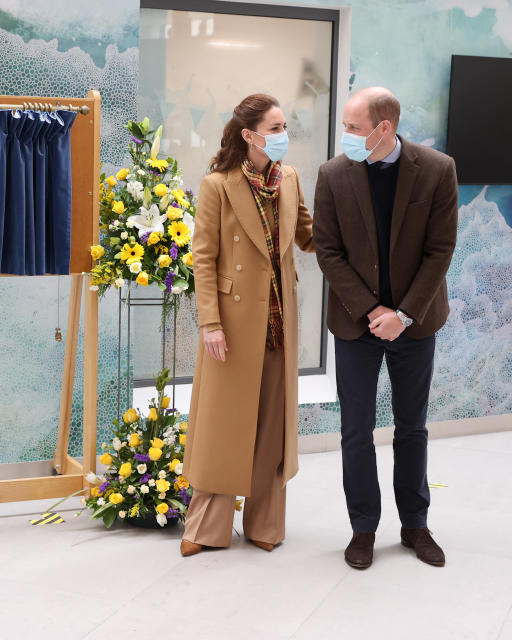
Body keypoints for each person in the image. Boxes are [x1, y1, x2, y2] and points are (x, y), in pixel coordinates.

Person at [313, 87, 457, 569]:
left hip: (415, 325)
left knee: (411, 428)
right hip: (356, 325)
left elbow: (440, 250)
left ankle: (415, 524)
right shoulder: (333, 174)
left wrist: (405, 314)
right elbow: (328, 252)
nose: (346, 136)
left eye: (353, 127)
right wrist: (374, 310)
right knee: (356, 430)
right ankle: (363, 529)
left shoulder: (437, 170)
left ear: (384, 129)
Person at [180, 94, 314, 556]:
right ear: (249, 135)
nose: (282, 136)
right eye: (274, 128)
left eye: (283, 127)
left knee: (272, 425)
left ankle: (265, 525)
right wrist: (210, 324)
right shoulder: (217, 184)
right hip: (233, 323)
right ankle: (206, 528)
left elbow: (310, 236)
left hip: (279, 321)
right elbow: (203, 258)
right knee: (224, 423)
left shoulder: (291, 179)